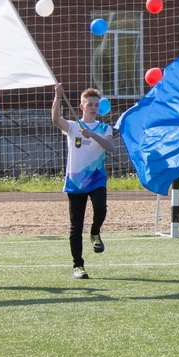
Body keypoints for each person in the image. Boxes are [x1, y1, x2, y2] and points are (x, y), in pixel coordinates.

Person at [52, 84, 114, 280]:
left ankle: (95, 232)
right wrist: (58, 97)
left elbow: (110, 147)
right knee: (75, 225)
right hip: (76, 181)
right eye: (90, 104)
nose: (93, 108)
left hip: (96, 177)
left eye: (96, 105)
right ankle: (78, 266)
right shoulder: (72, 126)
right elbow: (55, 119)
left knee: (100, 209)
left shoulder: (105, 128)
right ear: (82, 106)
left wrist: (93, 135)